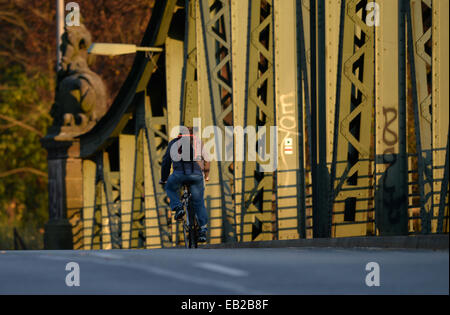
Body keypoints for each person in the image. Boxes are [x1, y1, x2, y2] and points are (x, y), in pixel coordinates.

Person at [159, 127, 210, 243]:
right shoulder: (198, 142)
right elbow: (207, 160)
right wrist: (206, 175)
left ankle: (178, 207)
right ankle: (202, 230)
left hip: (179, 175)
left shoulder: (173, 143)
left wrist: (164, 179)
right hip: (196, 176)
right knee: (199, 202)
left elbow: (166, 162)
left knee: (170, 188)